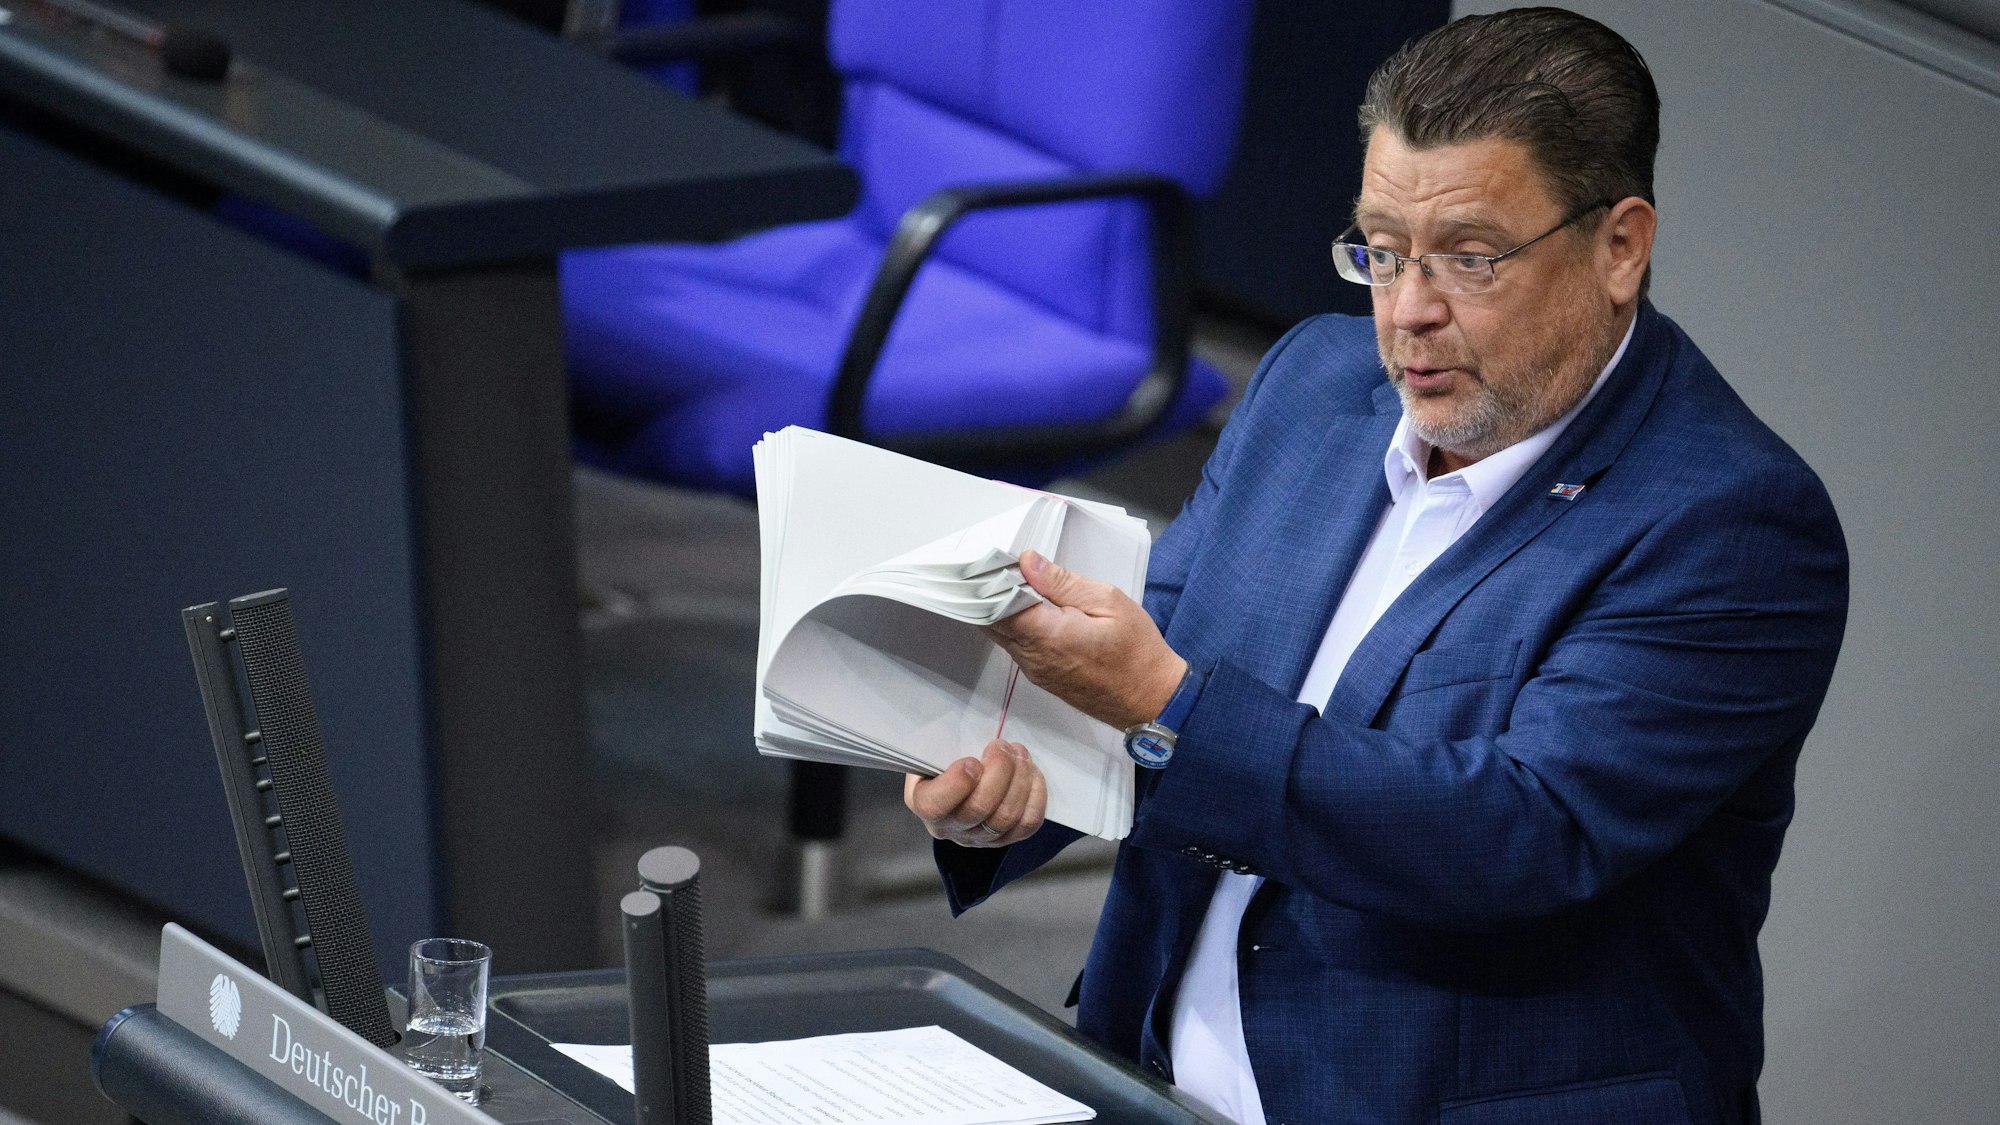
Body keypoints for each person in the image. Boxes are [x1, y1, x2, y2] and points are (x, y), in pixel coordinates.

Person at [902, 8, 1847, 1125]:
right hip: (1150, 1079)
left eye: (1467, 259)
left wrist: (1157, 704)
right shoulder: (1311, 383)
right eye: (1380, 252)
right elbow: (1157, 654)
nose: (1406, 314)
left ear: (1618, 247)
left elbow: (1513, 834)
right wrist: (1019, 790)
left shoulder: (1727, 525)